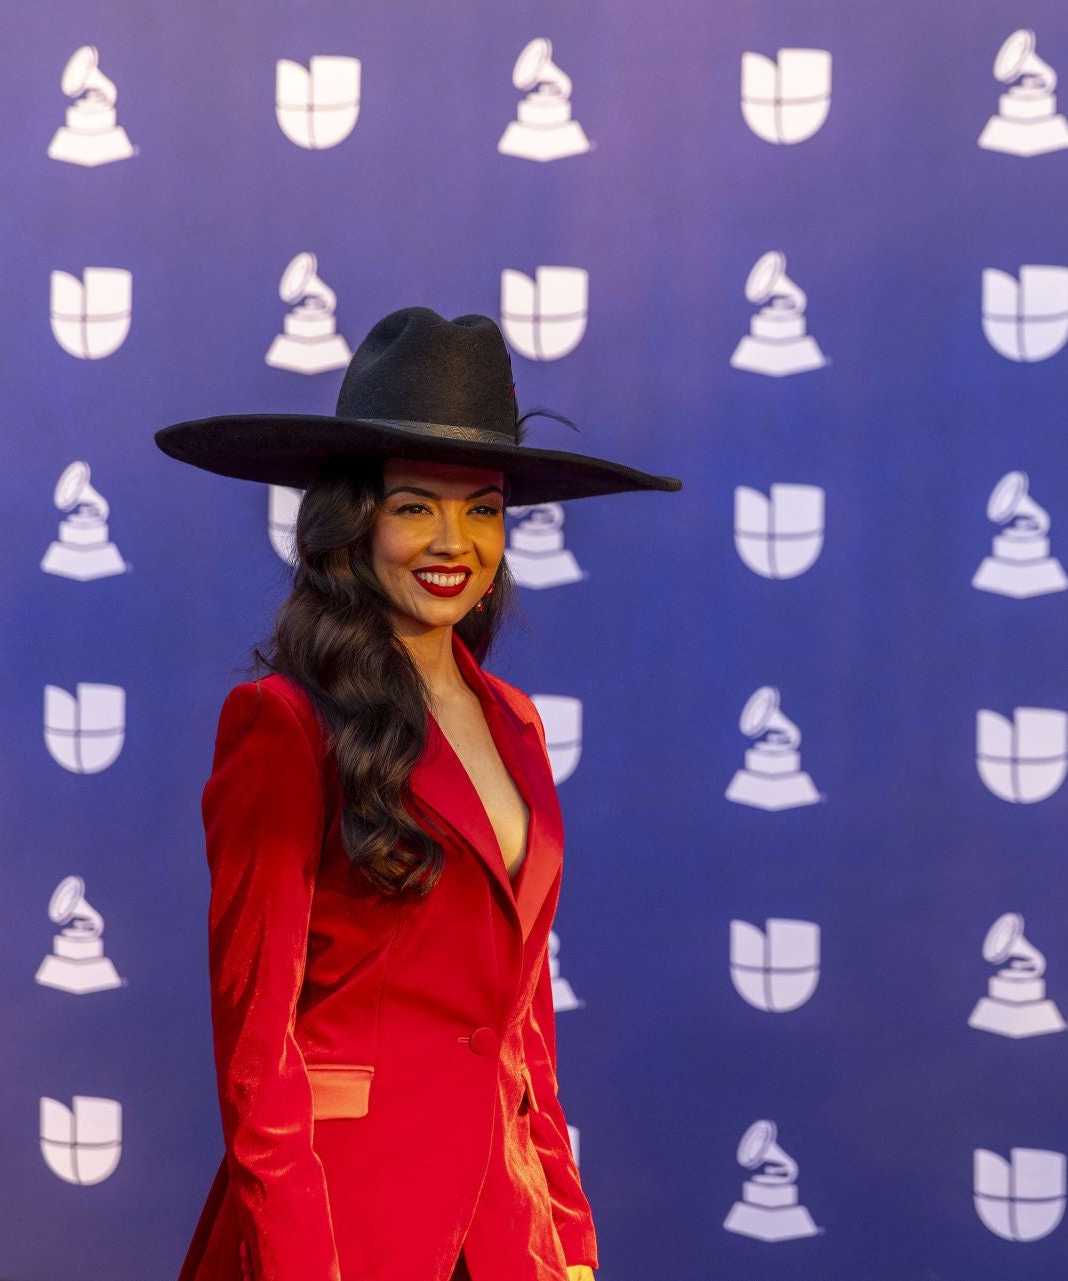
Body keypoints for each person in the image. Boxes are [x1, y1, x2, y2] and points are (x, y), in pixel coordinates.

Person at [154, 307, 681, 1281]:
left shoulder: (516, 720)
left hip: (504, 1229)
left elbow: (522, 1029)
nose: (455, 541)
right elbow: (257, 1052)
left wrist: (564, 1237)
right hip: (341, 1228)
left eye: (481, 507)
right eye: (415, 506)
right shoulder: (281, 722)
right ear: (353, 525)